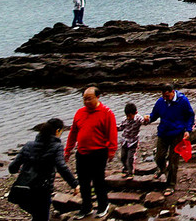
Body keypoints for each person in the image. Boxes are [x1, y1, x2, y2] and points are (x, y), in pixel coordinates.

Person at [9, 117, 78, 221]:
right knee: (41, 217)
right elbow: (62, 167)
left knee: (36, 216)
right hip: (41, 192)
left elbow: (12, 168)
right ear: (57, 131)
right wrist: (74, 184)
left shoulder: (28, 145)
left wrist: (22, 170)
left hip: (22, 190)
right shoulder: (56, 146)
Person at [64, 86, 117, 219]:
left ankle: (103, 206)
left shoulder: (106, 113)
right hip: (82, 153)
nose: (86, 101)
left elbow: (112, 133)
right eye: (84, 99)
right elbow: (73, 133)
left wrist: (112, 150)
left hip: (99, 152)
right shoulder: (79, 112)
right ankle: (86, 207)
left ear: (97, 97)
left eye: (89, 99)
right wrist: (68, 150)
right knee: (83, 182)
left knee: (98, 181)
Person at [143, 84, 194, 192]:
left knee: (173, 160)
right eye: (163, 96)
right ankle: (162, 169)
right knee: (159, 157)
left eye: (167, 96)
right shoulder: (160, 102)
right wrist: (149, 119)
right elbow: (154, 114)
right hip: (163, 132)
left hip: (177, 133)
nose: (165, 98)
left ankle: (170, 185)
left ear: (172, 92)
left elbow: (190, 115)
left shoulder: (183, 101)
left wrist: (188, 130)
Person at [117, 103, 145, 178]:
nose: (128, 118)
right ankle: (125, 168)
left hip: (133, 141)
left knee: (130, 157)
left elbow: (144, 122)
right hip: (125, 141)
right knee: (123, 156)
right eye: (127, 116)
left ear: (135, 113)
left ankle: (130, 172)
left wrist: (146, 119)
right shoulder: (124, 119)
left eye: (130, 116)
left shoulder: (138, 118)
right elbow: (120, 127)